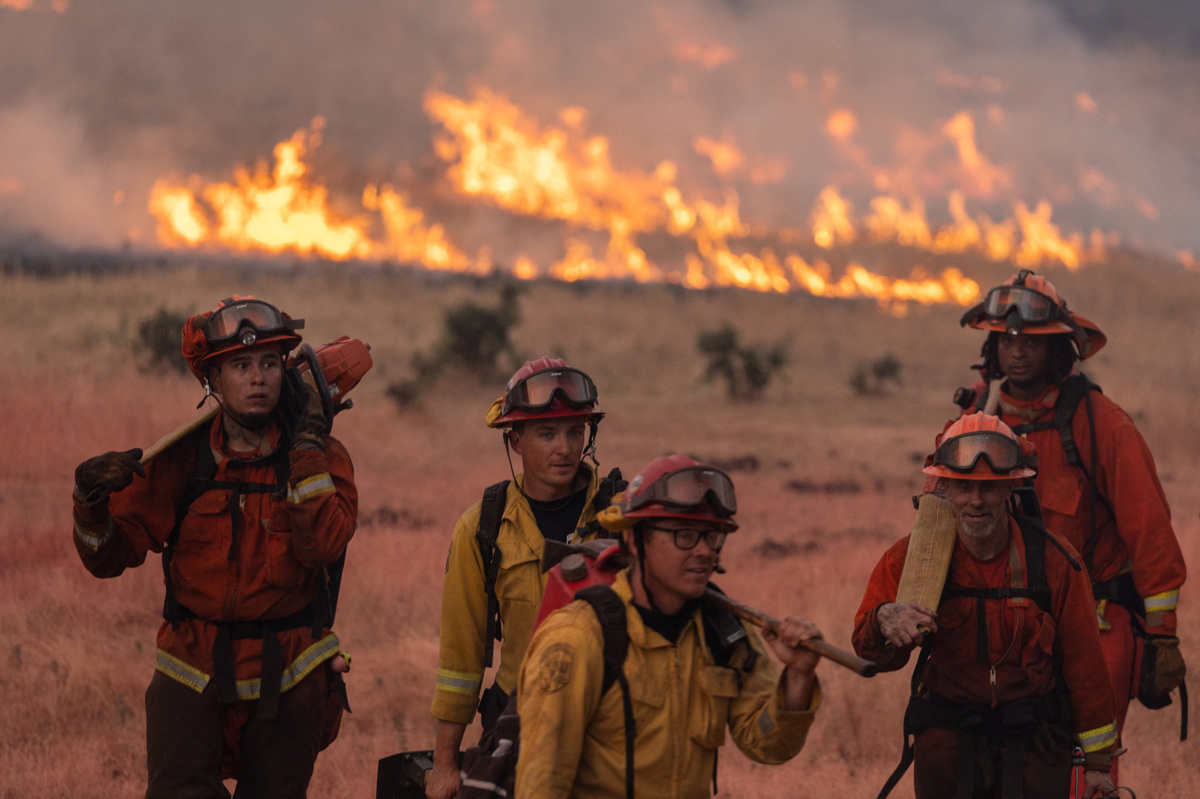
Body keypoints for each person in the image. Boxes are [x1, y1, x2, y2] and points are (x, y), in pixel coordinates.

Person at [71, 296, 357, 798]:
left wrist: (307, 447)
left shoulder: (322, 458)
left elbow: (322, 548)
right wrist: (89, 502)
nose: (258, 377)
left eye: (270, 363)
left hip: (290, 671)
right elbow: (106, 559)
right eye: (240, 365)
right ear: (212, 381)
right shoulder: (182, 460)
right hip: (192, 665)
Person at [948, 269, 1186, 770]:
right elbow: (937, 523)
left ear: (1059, 349)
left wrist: (1162, 635)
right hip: (1005, 625)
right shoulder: (971, 425)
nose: (1017, 352)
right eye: (1006, 340)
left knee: (1087, 764)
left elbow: (1150, 530)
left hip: (1096, 625)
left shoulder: (1101, 425)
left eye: (1032, 342)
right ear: (992, 348)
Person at [515, 453, 823, 798]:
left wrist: (798, 676)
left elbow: (767, 745)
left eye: (712, 537)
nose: (705, 552)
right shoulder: (577, 640)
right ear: (635, 540)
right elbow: (542, 784)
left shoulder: (725, 632)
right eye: (685, 536)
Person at [855, 412, 1119, 799]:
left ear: (1012, 489)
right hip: (948, 747)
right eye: (963, 487)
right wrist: (882, 620)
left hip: (1034, 744)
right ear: (944, 488)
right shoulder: (912, 560)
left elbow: (1086, 668)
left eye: (989, 488)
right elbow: (871, 654)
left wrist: (1098, 766)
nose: (976, 500)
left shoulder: (1054, 562)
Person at [427, 357, 622, 799]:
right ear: (515, 440)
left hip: (609, 723)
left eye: (576, 431)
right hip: (519, 725)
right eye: (547, 434)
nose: (565, 449)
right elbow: (461, 661)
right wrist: (444, 764)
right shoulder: (482, 528)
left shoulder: (623, 517)